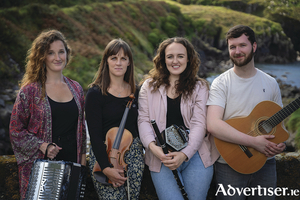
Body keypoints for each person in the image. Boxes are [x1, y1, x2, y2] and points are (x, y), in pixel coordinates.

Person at [206, 25, 287, 200]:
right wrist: (253, 142)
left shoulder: (271, 83)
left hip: (265, 162)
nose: (237, 51)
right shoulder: (221, 83)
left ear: (254, 46)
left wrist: (280, 145)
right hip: (230, 163)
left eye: (242, 45)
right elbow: (213, 124)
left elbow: (278, 125)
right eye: (232, 47)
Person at [138, 37, 219, 200]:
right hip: (161, 154)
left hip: (196, 154)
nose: (175, 61)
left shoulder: (200, 87)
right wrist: (156, 151)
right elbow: (143, 121)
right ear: (163, 59)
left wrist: (184, 154)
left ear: (189, 58)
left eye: (180, 56)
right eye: (170, 56)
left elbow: (199, 124)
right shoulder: (148, 87)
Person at [9, 30, 86, 199]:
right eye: (50, 53)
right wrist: (42, 146)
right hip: (43, 170)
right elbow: (15, 131)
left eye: (61, 52)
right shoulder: (29, 91)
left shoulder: (77, 88)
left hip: (72, 167)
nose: (57, 57)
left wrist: (82, 164)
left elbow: (81, 129)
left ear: (67, 54)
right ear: (42, 57)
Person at [85, 38, 144, 200]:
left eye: (123, 58)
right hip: (104, 157)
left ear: (129, 63)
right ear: (106, 61)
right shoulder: (95, 94)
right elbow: (95, 136)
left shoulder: (137, 92)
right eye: (114, 58)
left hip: (133, 157)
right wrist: (106, 167)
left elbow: (140, 127)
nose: (118, 63)